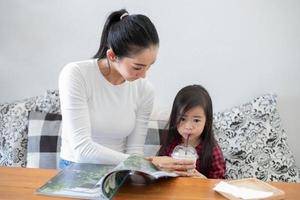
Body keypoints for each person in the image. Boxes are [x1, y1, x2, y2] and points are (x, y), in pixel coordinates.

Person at [58, 9, 194, 171]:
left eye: (150, 66)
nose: (144, 75)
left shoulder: (145, 90)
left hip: (119, 170)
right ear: (112, 56)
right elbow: (82, 151)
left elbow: (134, 152)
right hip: (76, 168)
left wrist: (145, 168)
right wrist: (148, 163)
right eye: (138, 67)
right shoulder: (76, 74)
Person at [148, 85, 226, 178]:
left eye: (196, 120)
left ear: (207, 121)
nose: (188, 127)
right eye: (182, 119)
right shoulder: (171, 144)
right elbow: (157, 171)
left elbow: (218, 182)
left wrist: (202, 180)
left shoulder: (212, 151)